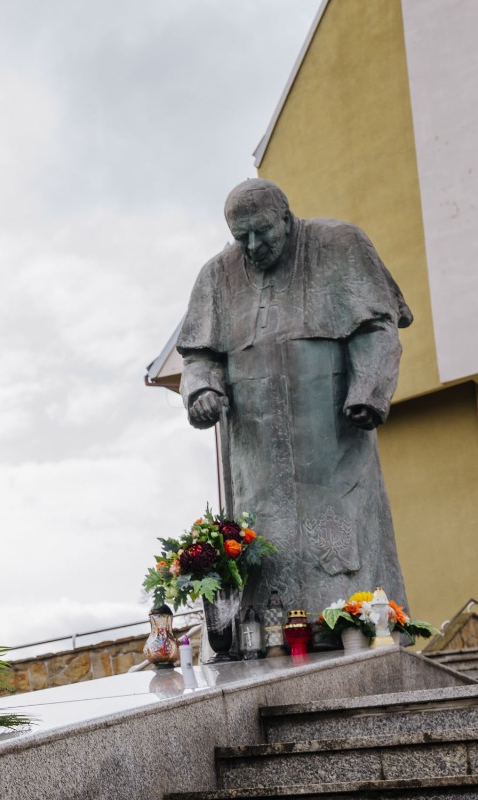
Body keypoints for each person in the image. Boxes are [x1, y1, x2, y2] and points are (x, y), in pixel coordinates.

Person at [176, 178, 414, 621]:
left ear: (286, 217)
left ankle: (360, 631)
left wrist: (368, 389)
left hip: (331, 442)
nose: (252, 245)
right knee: (265, 555)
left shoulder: (338, 244)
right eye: (240, 235)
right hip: (257, 459)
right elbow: (198, 356)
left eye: (262, 231)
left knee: (345, 552)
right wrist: (203, 389)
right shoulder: (216, 275)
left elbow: (377, 327)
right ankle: (269, 641)